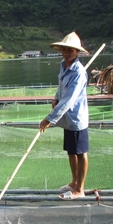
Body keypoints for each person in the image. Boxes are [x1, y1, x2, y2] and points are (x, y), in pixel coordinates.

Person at [39, 32, 89, 200]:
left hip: (76, 118)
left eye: (71, 51)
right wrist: (55, 98)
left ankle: (80, 189)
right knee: (71, 151)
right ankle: (74, 182)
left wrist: (49, 119)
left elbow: (69, 100)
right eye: (64, 50)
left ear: (77, 52)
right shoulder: (63, 65)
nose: (67, 53)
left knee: (80, 152)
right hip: (66, 119)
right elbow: (62, 89)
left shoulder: (79, 72)